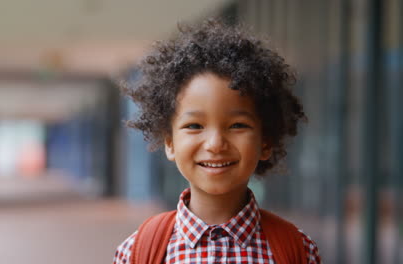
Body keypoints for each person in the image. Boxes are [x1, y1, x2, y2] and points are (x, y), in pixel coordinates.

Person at [113, 19, 321, 264]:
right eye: (194, 126)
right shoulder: (137, 251)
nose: (215, 144)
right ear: (169, 143)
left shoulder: (297, 251)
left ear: (265, 142)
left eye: (237, 125)